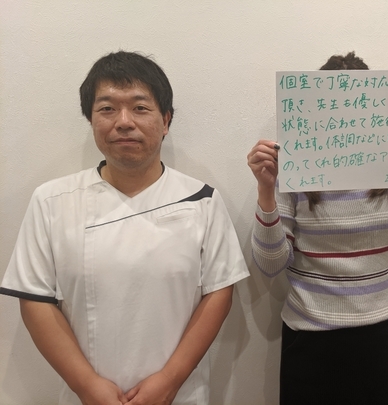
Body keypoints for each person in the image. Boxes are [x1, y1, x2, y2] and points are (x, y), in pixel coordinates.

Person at [0, 51, 249, 405]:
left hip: (179, 394)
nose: (124, 122)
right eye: (107, 109)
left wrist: (169, 381)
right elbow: (35, 300)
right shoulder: (52, 200)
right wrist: (86, 385)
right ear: (91, 120)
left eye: (140, 107)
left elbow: (219, 293)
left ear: (166, 120)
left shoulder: (201, 199)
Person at [247, 52, 388, 405]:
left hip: (379, 340)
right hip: (309, 338)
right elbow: (270, 264)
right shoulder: (294, 174)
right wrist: (266, 190)